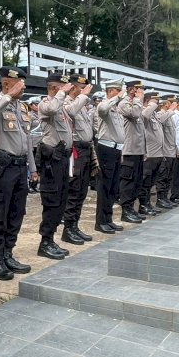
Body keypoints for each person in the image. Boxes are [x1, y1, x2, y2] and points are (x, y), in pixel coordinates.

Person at [0, 66, 37, 280]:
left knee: (16, 212)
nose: (22, 88)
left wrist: (32, 168)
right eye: (19, 85)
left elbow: (27, 139)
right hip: (2, 167)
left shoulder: (21, 107)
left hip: (20, 165)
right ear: (7, 84)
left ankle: (8, 253)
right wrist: (7, 97)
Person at [36, 73, 75, 260]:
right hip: (52, 160)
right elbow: (50, 109)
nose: (67, 89)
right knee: (51, 201)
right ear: (54, 88)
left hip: (63, 158)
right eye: (63, 86)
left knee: (61, 200)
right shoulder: (46, 104)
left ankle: (51, 238)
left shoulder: (62, 107)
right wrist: (60, 94)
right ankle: (45, 241)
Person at [61, 74, 95, 245]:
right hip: (76, 151)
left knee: (82, 190)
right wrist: (82, 96)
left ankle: (74, 225)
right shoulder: (68, 102)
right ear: (73, 88)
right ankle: (67, 228)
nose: (85, 92)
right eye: (82, 88)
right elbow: (70, 112)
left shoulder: (82, 105)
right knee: (74, 191)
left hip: (86, 150)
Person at [94, 80, 126, 233]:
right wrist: (116, 98)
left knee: (113, 187)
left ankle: (108, 218)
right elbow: (102, 108)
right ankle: (100, 221)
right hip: (106, 149)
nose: (121, 93)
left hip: (116, 150)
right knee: (105, 186)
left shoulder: (117, 109)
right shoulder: (104, 105)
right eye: (118, 90)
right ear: (111, 91)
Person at [118, 80, 146, 223]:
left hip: (138, 150)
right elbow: (134, 114)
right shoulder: (124, 104)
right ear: (132, 90)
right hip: (128, 150)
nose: (141, 92)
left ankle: (131, 208)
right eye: (139, 90)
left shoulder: (136, 104)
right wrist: (138, 99)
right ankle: (125, 210)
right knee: (128, 182)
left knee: (136, 181)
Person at [138, 91, 164, 215]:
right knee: (145, 181)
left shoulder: (154, 114)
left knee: (151, 182)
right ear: (147, 102)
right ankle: (143, 205)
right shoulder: (144, 112)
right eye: (154, 101)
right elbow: (144, 116)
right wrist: (151, 105)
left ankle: (148, 203)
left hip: (157, 153)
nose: (157, 104)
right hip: (150, 153)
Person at [154, 95, 177, 209]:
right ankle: (160, 199)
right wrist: (171, 111)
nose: (174, 104)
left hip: (171, 151)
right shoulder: (160, 114)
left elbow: (173, 135)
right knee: (162, 177)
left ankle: (165, 198)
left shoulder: (170, 115)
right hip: (165, 151)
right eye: (171, 102)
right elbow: (161, 121)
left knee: (169, 176)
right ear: (166, 103)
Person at [27, 97, 42, 193]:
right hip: (33, 143)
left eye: (38, 104)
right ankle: (29, 184)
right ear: (31, 105)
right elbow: (28, 130)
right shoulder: (29, 116)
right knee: (31, 165)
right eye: (35, 104)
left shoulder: (41, 115)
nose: (37, 106)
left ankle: (35, 184)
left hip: (40, 144)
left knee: (38, 166)